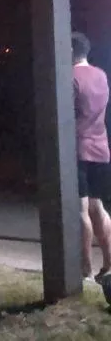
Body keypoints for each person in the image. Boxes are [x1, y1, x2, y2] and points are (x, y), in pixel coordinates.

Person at [71, 32, 111, 281]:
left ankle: (83, 270)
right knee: (99, 207)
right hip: (101, 148)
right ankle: (108, 265)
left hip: (79, 149)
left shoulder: (70, 77)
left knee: (80, 209)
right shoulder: (101, 75)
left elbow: (68, 114)